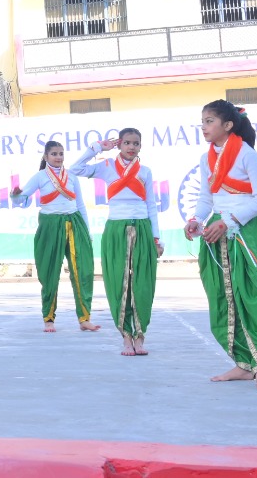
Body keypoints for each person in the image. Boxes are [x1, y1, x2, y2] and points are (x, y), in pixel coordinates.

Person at [184, 100, 257, 391]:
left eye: (209, 121)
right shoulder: (206, 158)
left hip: (245, 232)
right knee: (224, 298)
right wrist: (196, 219)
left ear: (227, 125)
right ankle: (242, 364)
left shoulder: (248, 155)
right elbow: (207, 197)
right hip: (217, 231)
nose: (204, 127)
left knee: (252, 296)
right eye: (202, 121)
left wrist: (228, 221)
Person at [70, 129, 163, 356]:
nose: (131, 147)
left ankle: (140, 336)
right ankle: (126, 337)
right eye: (127, 143)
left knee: (143, 283)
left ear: (140, 146)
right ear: (119, 144)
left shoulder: (145, 171)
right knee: (118, 283)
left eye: (136, 143)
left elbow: (151, 205)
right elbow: (74, 169)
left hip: (142, 228)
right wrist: (97, 148)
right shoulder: (107, 166)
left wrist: (156, 238)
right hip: (116, 229)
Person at [12, 140, 100, 333]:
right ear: (46, 156)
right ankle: (49, 319)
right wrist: (16, 195)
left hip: (74, 223)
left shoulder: (72, 176)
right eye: (54, 154)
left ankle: (84, 318)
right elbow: (21, 199)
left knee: (83, 271)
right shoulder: (40, 177)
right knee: (49, 272)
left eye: (61, 154)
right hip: (50, 225)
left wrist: (87, 230)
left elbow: (80, 205)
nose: (58, 157)